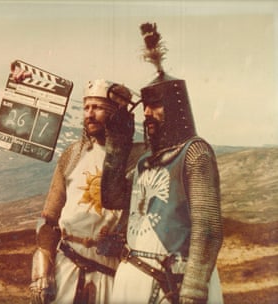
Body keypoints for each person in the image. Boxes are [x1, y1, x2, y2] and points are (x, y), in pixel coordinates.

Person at [100, 23, 224, 304]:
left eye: (155, 104)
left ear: (175, 106)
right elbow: (112, 198)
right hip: (134, 279)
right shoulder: (146, 160)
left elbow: (207, 228)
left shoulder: (195, 153)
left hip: (173, 283)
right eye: (145, 105)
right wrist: (117, 145)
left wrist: (193, 291)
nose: (146, 112)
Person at [29, 78, 146, 304]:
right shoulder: (73, 154)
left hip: (113, 274)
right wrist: (42, 271)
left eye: (98, 107)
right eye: (86, 107)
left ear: (116, 112)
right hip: (67, 268)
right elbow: (49, 220)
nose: (89, 114)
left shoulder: (137, 158)